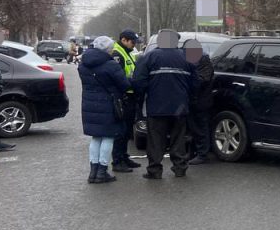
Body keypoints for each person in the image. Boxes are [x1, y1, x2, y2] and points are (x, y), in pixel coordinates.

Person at [132, 29, 196, 179]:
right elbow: (196, 83)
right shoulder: (187, 58)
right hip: (180, 107)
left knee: (155, 140)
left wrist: (140, 99)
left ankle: (154, 170)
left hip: (156, 107)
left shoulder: (149, 57)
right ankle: (180, 168)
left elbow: (138, 82)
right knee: (178, 139)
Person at [78, 36, 130, 184]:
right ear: (108, 49)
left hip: (89, 104)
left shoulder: (83, 64)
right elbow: (124, 85)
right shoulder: (111, 65)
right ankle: (102, 172)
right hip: (108, 105)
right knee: (108, 137)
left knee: (96, 137)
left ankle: (93, 172)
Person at [110, 29, 141, 173]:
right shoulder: (117, 54)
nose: (134, 45)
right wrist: (134, 83)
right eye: (132, 42)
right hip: (124, 97)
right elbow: (119, 79)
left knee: (127, 130)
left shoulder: (127, 53)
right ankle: (117, 161)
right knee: (120, 131)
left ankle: (124, 156)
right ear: (124, 40)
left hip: (130, 96)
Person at [186, 42, 214, 165]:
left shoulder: (204, 61)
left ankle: (203, 154)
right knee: (193, 127)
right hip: (193, 100)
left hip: (201, 100)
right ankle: (192, 152)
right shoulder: (194, 61)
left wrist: (189, 81)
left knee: (201, 127)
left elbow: (202, 80)